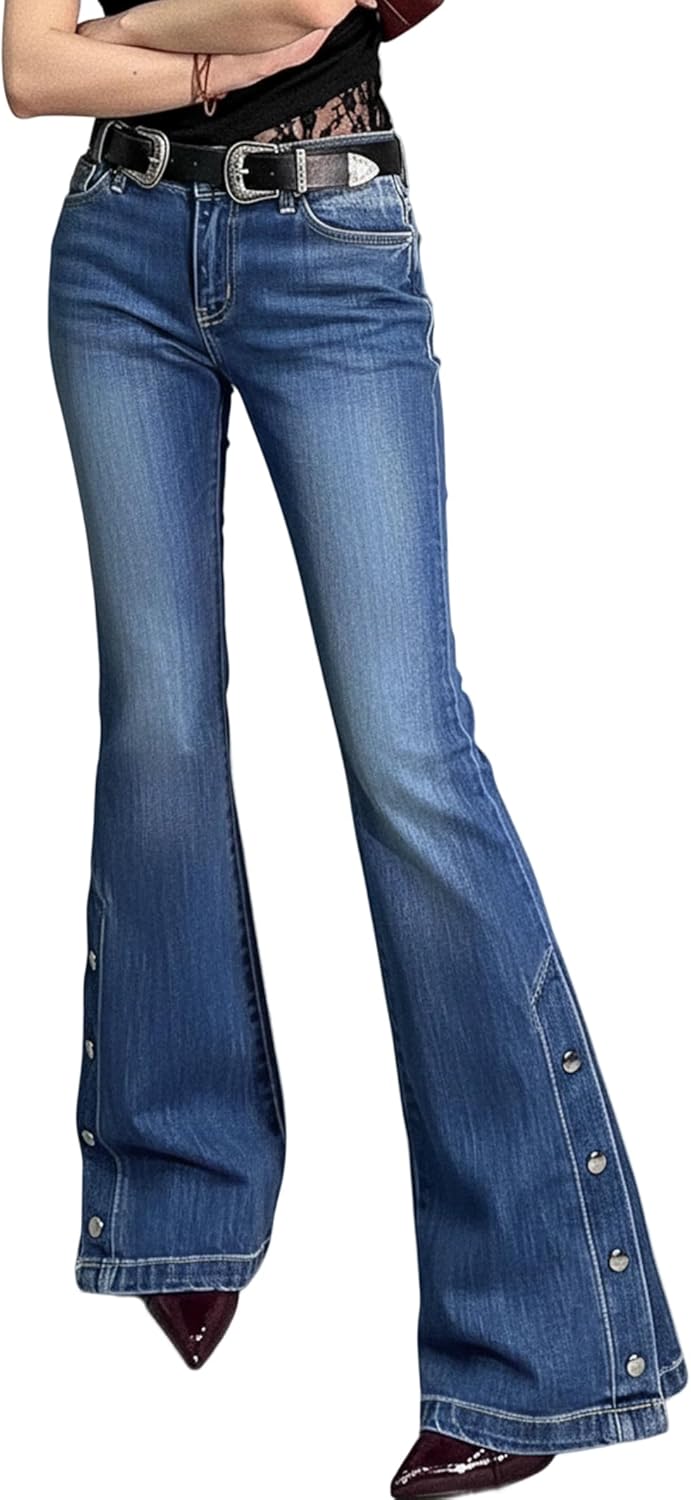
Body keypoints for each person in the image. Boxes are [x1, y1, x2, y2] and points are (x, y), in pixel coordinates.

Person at [2, 3, 686, 1496]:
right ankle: (180, 1189)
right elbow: (32, 71)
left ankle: (547, 1350)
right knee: (159, 724)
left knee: (409, 756)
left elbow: (303, 8)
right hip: (116, 245)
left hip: (330, 244)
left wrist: (133, 36)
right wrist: (201, 60)